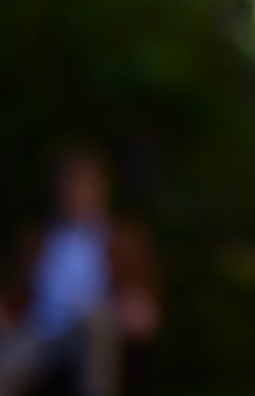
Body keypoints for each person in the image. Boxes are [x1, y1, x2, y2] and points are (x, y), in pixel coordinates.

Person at [0, 151, 160, 396]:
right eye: (70, 186)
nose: (76, 193)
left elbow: (141, 290)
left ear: (102, 190)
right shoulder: (36, 239)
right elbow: (16, 293)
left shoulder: (123, 239)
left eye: (85, 186)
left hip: (96, 327)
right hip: (41, 330)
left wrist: (140, 304)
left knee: (94, 318)